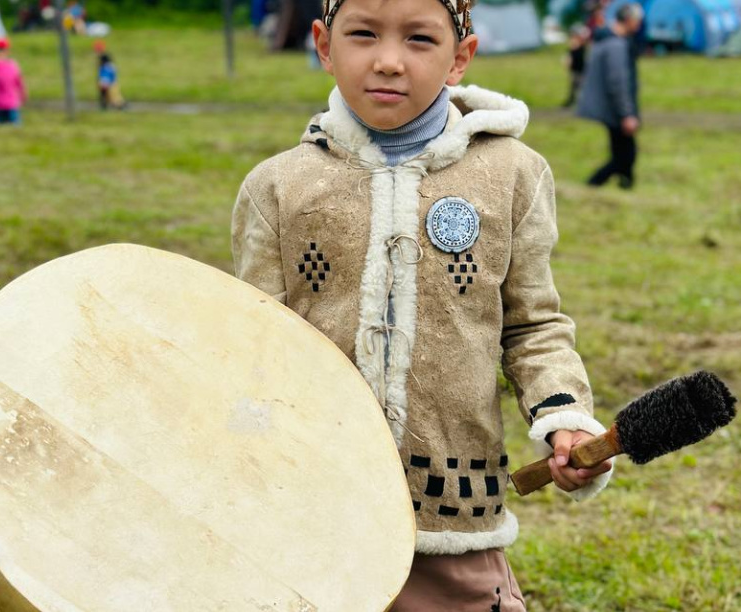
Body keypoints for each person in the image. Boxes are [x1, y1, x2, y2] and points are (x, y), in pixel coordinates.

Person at [231, 0, 614, 609]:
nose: (388, 61)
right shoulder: (277, 187)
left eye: (418, 39)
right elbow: (251, 346)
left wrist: (563, 418)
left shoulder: (513, 176)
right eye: (363, 35)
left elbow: (533, 325)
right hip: (314, 508)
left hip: (451, 520)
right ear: (324, 45)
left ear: (460, 57)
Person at [576, 2, 643, 189]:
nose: (639, 25)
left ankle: (625, 185)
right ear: (629, 20)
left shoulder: (604, 39)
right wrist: (626, 114)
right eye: (637, 21)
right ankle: (593, 183)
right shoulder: (616, 45)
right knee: (626, 154)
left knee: (623, 151)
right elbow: (618, 82)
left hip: (610, 107)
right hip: (614, 109)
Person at [0, 37, 27, 125]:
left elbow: (19, 81)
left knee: (14, 124)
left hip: (11, 102)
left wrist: (23, 93)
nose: (1, 52)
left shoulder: (12, 64)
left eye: (3, 49)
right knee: (2, 125)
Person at [562, 24, 590, 107]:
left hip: (580, 69)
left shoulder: (581, 45)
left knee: (580, 86)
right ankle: (572, 101)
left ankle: (578, 102)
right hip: (575, 69)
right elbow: (570, 56)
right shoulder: (575, 45)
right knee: (574, 86)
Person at [94, 40, 126, 110]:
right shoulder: (110, 66)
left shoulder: (106, 67)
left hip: (109, 83)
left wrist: (102, 83)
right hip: (112, 82)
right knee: (113, 96)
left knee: (113, 97)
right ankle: (117, 105)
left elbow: (105, 77)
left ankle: (118, 105)